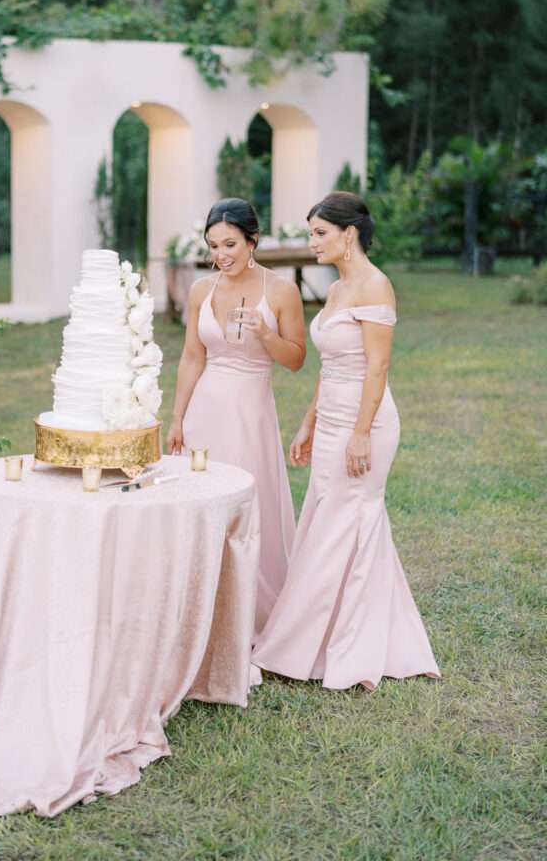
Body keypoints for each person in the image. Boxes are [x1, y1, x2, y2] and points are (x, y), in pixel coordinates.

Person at [252, 191, 440, 690]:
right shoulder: (336, 290)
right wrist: (310, 423)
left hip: (367, 423)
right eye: (311, 233)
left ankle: (343, 646)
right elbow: (331, 365)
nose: (311, 242)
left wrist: (360, 435)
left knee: (346, 522)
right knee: (325, 521)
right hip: (332, 419)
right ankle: (324, 636)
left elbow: (377, 366)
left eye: (320, 233)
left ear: (348, 233)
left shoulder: (376, 286)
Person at [166, 197, 306, 634]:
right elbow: (192, 356)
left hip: (250, 412)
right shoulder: (200, 291)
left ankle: (250, 612)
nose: (221, 255)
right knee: (201, 504)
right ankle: (200, 610)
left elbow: (297, 359)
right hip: (205, 411)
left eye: (230, 244)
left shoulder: (280, 291)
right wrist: (177, 420)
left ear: (253, 240)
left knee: (248, 505)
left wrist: (265, 333)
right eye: (213, 246)